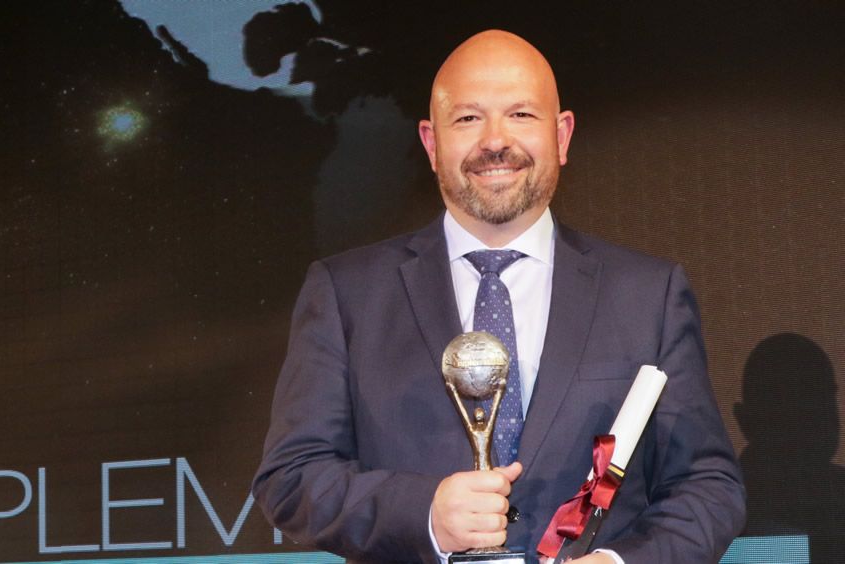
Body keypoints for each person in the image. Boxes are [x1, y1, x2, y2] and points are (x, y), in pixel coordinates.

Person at [252, 30, 745, 564]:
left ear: (562, 135)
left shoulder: (647, 295)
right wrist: (425, 513)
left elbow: (707, 488)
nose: (494, 140)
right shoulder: (347, 293)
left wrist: (618, 563)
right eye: (468, 118)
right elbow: (291, 477)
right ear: (431, 143)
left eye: (521, 114)